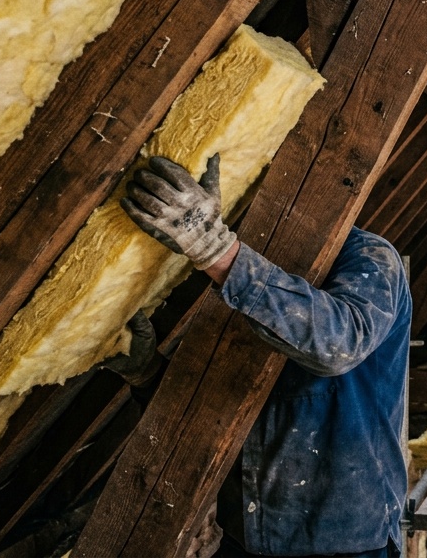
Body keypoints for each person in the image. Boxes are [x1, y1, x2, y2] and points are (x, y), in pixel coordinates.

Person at [112, 154, 410, 558]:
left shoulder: (369, 258)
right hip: (246, 535)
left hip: (343, 540)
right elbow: (215, 397)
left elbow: (340, 346)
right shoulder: (224, 273)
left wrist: (215, 251)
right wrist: (148, 374)